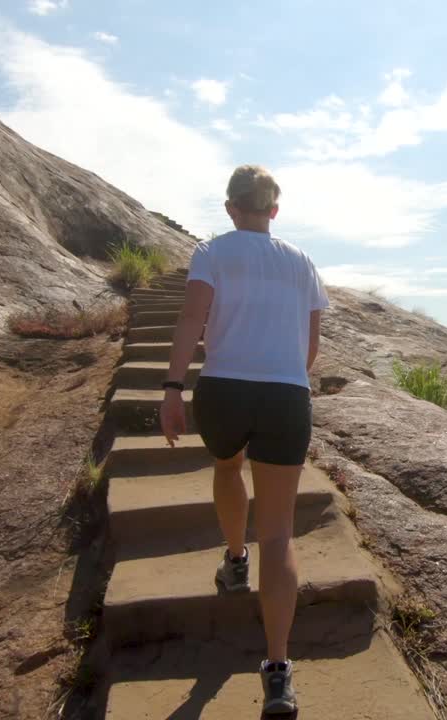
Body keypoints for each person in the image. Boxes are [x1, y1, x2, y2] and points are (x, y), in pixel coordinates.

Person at [160, 164, 328, 716]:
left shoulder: (211, 252)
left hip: (225, 390)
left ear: (232, 207)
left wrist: (172, 387)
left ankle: (234, 560)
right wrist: (283, 376)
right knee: (278, 536)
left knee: (228, 468)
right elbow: (310, 348)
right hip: (284, 396)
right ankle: (278, 673)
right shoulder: (301, 263)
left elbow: (191, 319)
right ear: (273, 211)